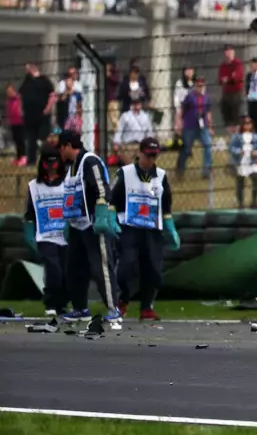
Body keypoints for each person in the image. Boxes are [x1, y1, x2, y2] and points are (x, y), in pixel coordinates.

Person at [57, 129, 123, 328]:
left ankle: (114, 308)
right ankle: (80, 308)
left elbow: (102, 188)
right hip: (77, 226)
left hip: (92, 224)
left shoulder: (89, 161)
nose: (60, 153)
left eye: (61, 147)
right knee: (74, 268)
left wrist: (101, 213)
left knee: (100, 267)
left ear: (68, 146)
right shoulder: (71, 169)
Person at [110, 137, 178, 321]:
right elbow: (111, 199)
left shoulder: (161, 176)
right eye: (147, 155)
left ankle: (147, 307)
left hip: (152, 230)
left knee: (154, 271)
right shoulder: (124, 173)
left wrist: (171, 228)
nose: (150, 160)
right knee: (126, 267)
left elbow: (166, 206)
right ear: (139, 153)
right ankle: (123, 298)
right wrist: (111, 219)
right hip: (129, 228)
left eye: (154, 156)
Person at [22, 144, 68, 316]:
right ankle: (51, 303)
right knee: (53, 269)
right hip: (45, 235)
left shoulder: (67, 183)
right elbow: (29, 212)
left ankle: (62, 304)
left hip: (65, 235)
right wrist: (29, 232)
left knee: (65, 271)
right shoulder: (34, 186)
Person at [229, 115, 257, 209]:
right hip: (241, 162)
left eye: (249, 123)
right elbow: (232, 148)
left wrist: (256, 153)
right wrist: (239, 152)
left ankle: (254, 201)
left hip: (252, 162)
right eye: (246, 124)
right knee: (240, 183)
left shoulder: (255, 136)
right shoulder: (237, 136)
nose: (248, 126)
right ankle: (240, 203)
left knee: (256, 180)